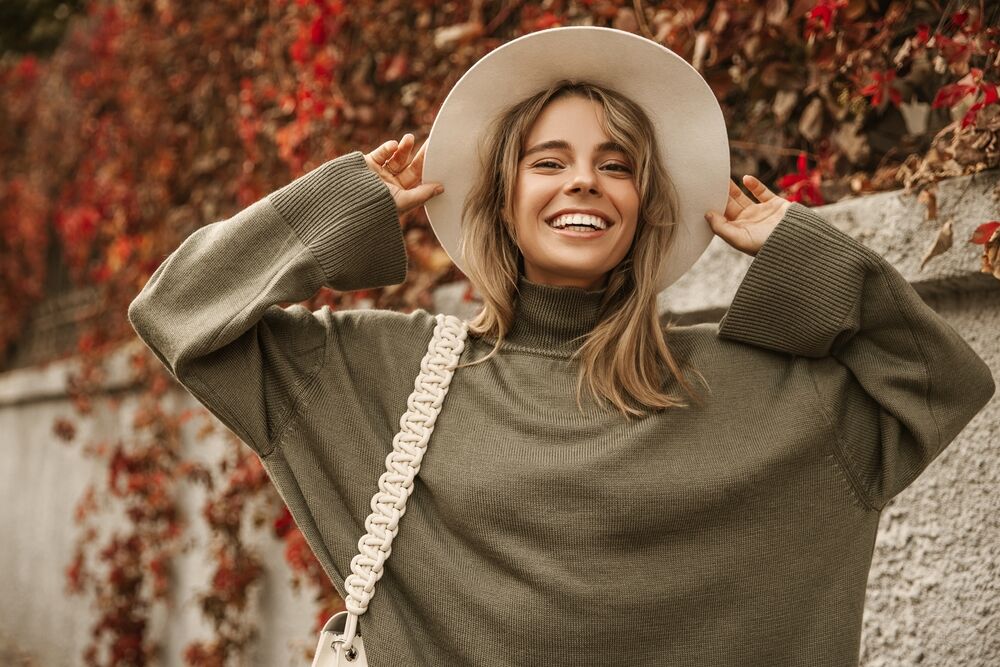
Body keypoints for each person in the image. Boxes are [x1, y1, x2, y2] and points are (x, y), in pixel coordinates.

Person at [128, 27, 994, 667]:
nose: (584, 178)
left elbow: (939, 382)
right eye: (548, 161)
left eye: (616, 164)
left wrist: (807, 253)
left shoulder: (766, 388)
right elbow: (178, 311)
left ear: (646, 203)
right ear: (499, 199)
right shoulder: (377, 377)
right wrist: (342, 207)